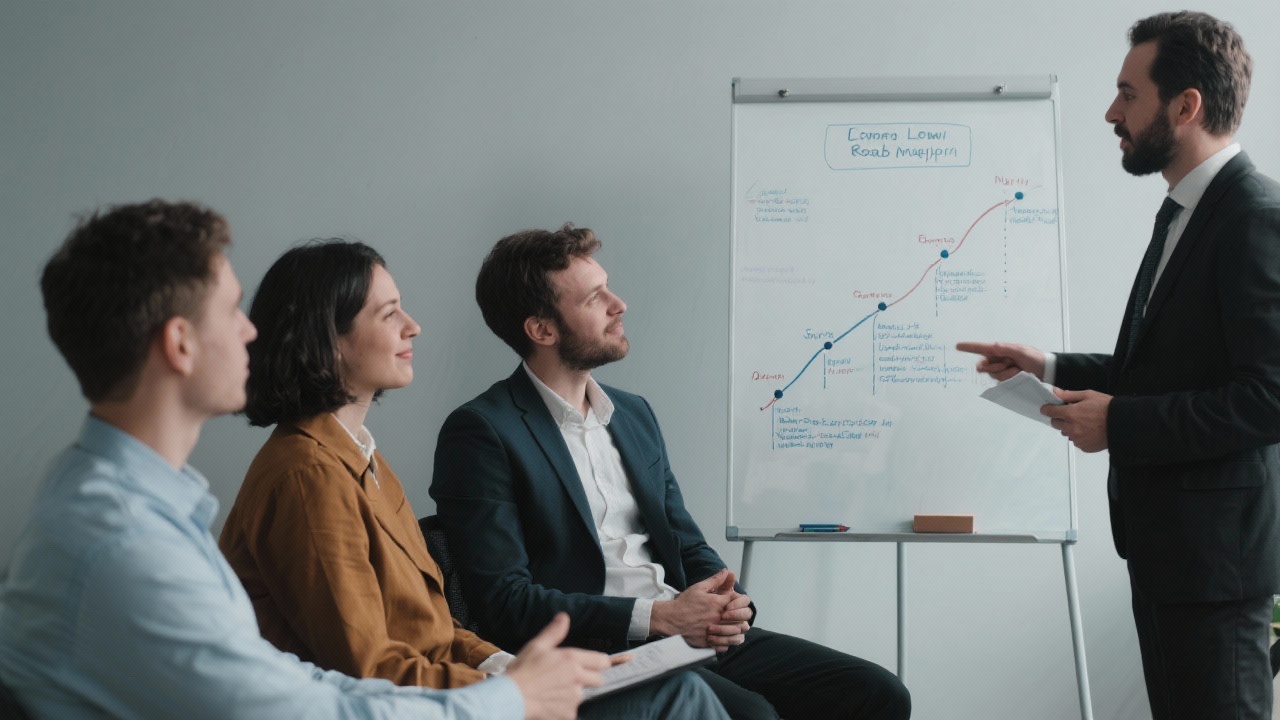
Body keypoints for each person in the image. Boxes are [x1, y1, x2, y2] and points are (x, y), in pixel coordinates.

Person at [0, 200, 630, 720]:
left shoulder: (141, 508)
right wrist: (509, 697)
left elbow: (297, 684)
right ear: (180, 344)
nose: (252, 332)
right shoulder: (129, 540)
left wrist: (510, 678)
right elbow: (311, 703)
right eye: (230, 311)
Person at [218, 239, 726, 720]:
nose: (413, 327)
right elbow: (368, 670)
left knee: (681, 690)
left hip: (451, 694)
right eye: (388, 313)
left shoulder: (364, 462)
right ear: (328, 341)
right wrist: (514, 690)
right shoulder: (308, 478)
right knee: (680, 696)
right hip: (419, 707)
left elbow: (435, 632)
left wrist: (518, 668)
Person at [431, 224, 911, 720]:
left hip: (687, 632)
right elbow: (505, 601)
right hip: (601, 648)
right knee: (755, 715)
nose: (619, 304)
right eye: (596, 298)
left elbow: (685, 542)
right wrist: (657, 618)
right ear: (542, 330)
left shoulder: (633, 413)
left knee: (876, 693)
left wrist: (730, 604)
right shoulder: (482, 431)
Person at [958, 12, 1280, 719]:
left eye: (1128, 94)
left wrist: (1122, 425)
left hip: (1214, 569)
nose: (1112, 112)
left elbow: (1269, 398)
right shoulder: (1188, 212)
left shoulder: (1253, 215)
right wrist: (1047, 362)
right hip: (1171, 557)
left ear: (1186, 105)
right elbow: (1172, 367)